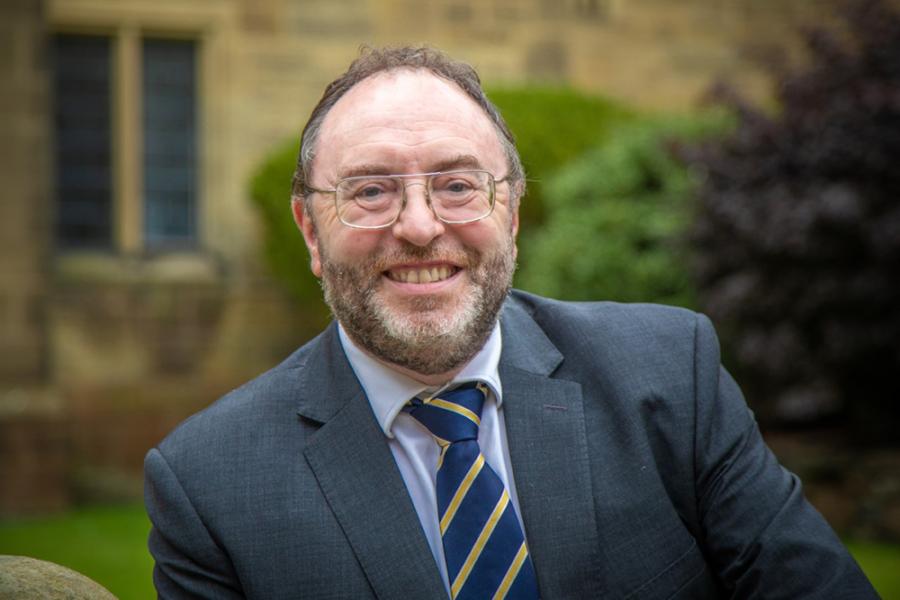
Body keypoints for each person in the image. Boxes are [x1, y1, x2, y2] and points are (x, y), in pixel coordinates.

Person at [144, 46, 877, 599]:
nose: (421, 226)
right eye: (370, 191)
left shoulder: (669, 375)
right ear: (310, 230)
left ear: (512, 213)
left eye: (459, 185)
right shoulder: (209, 486)